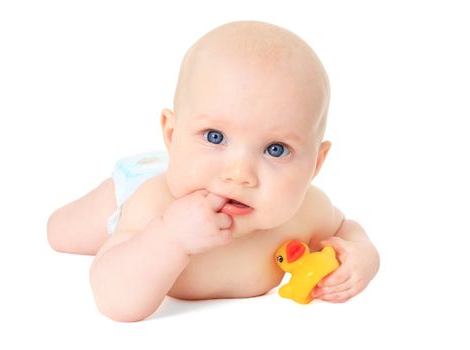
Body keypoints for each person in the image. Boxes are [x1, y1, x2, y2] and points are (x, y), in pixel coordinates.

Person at [47, 20, 380, 322]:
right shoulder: (152, 207)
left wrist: (362, 256)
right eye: (215, 137)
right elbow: (114, 300)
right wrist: (169, 238)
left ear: (316, 164)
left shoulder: (306, 213)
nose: (239, 173)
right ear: (172, 135)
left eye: (275, 149)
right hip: (134, 185)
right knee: (60, 233)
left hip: (190, 176)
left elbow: (346, 228)